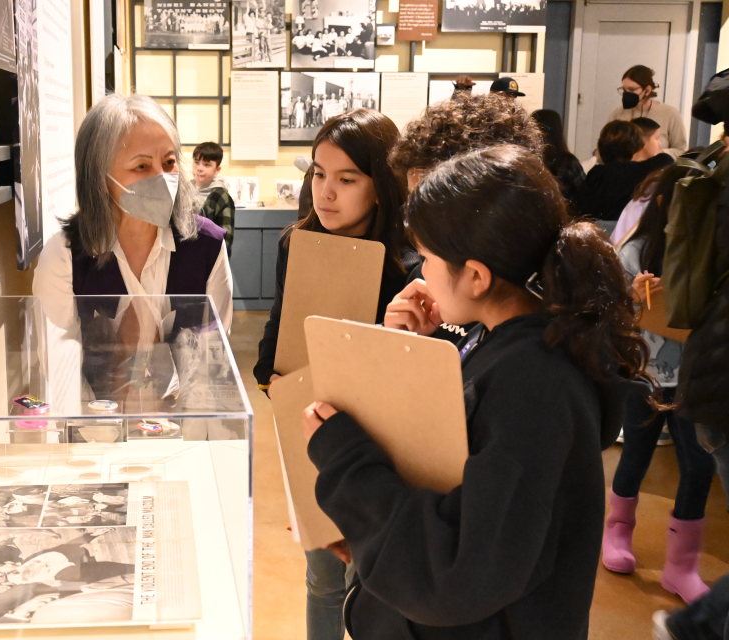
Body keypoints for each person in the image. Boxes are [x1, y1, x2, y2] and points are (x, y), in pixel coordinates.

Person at [302, 144, 653, 640]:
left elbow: (457, 572)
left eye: (426, 258)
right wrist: (370, 532)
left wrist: (345, 463)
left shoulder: (533, 384)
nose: (421, 274)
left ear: (476, 276)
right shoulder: (514, 342)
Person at [254, 109, 416, 640]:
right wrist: (271, 376)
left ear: (381, 186)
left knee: (372, 580)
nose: (326, 193)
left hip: (383, 445)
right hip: (311, 428)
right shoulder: (296, 243)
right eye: (319, 174)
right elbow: (279, 332)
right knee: (321, 574)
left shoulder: (409, 266)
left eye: (347, 180)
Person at [602, 162, 716, 604]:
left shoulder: (705, 250)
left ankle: (681, 564)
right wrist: (632, 293)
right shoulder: (634, 250)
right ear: (668, 203)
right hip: (646, 374)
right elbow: (608, 306)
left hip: (696, 375)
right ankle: (617, 534)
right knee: (637, 451)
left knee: (699, 463)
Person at [32, 93, 233, 331]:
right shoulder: (64, 257)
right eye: (142, 166)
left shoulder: (206, 245)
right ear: (100, 176)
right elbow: (61, 355)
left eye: (169, 162)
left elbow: (214, 352)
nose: (162, 177)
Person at [385, 92, 545, 349]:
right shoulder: (426, 277)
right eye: (413, 202)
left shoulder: (533, 320)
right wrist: (404, 343)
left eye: (430, 207)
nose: (416, 224)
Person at [579, 120, 673, 227]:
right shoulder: (640, 170)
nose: (659, 143)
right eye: (656, 138)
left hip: (596, 233)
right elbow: (667, 159)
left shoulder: (596, 173)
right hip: (623, 234)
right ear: (639, 143)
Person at [608, 65, 688, 158]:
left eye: (632, 89)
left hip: (658, 170)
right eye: (624, 90)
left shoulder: (670, 114)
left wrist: (658, 152)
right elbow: (601, 151)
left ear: (647, 90)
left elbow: (682, 152)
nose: (627, 94)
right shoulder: (617, 115)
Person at [532, 108, 586, 213]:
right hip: (565, 220)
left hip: (534, 221)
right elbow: (583, 197)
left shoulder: (529, 162)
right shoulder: (569, 163)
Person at [191, 141, 235, 255]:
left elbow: (226, 238)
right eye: (196, 162)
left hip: (207, 258)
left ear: (217, 170)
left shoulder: (221, 196)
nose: (199, 168)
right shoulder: (184, 190)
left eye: (207, 165)